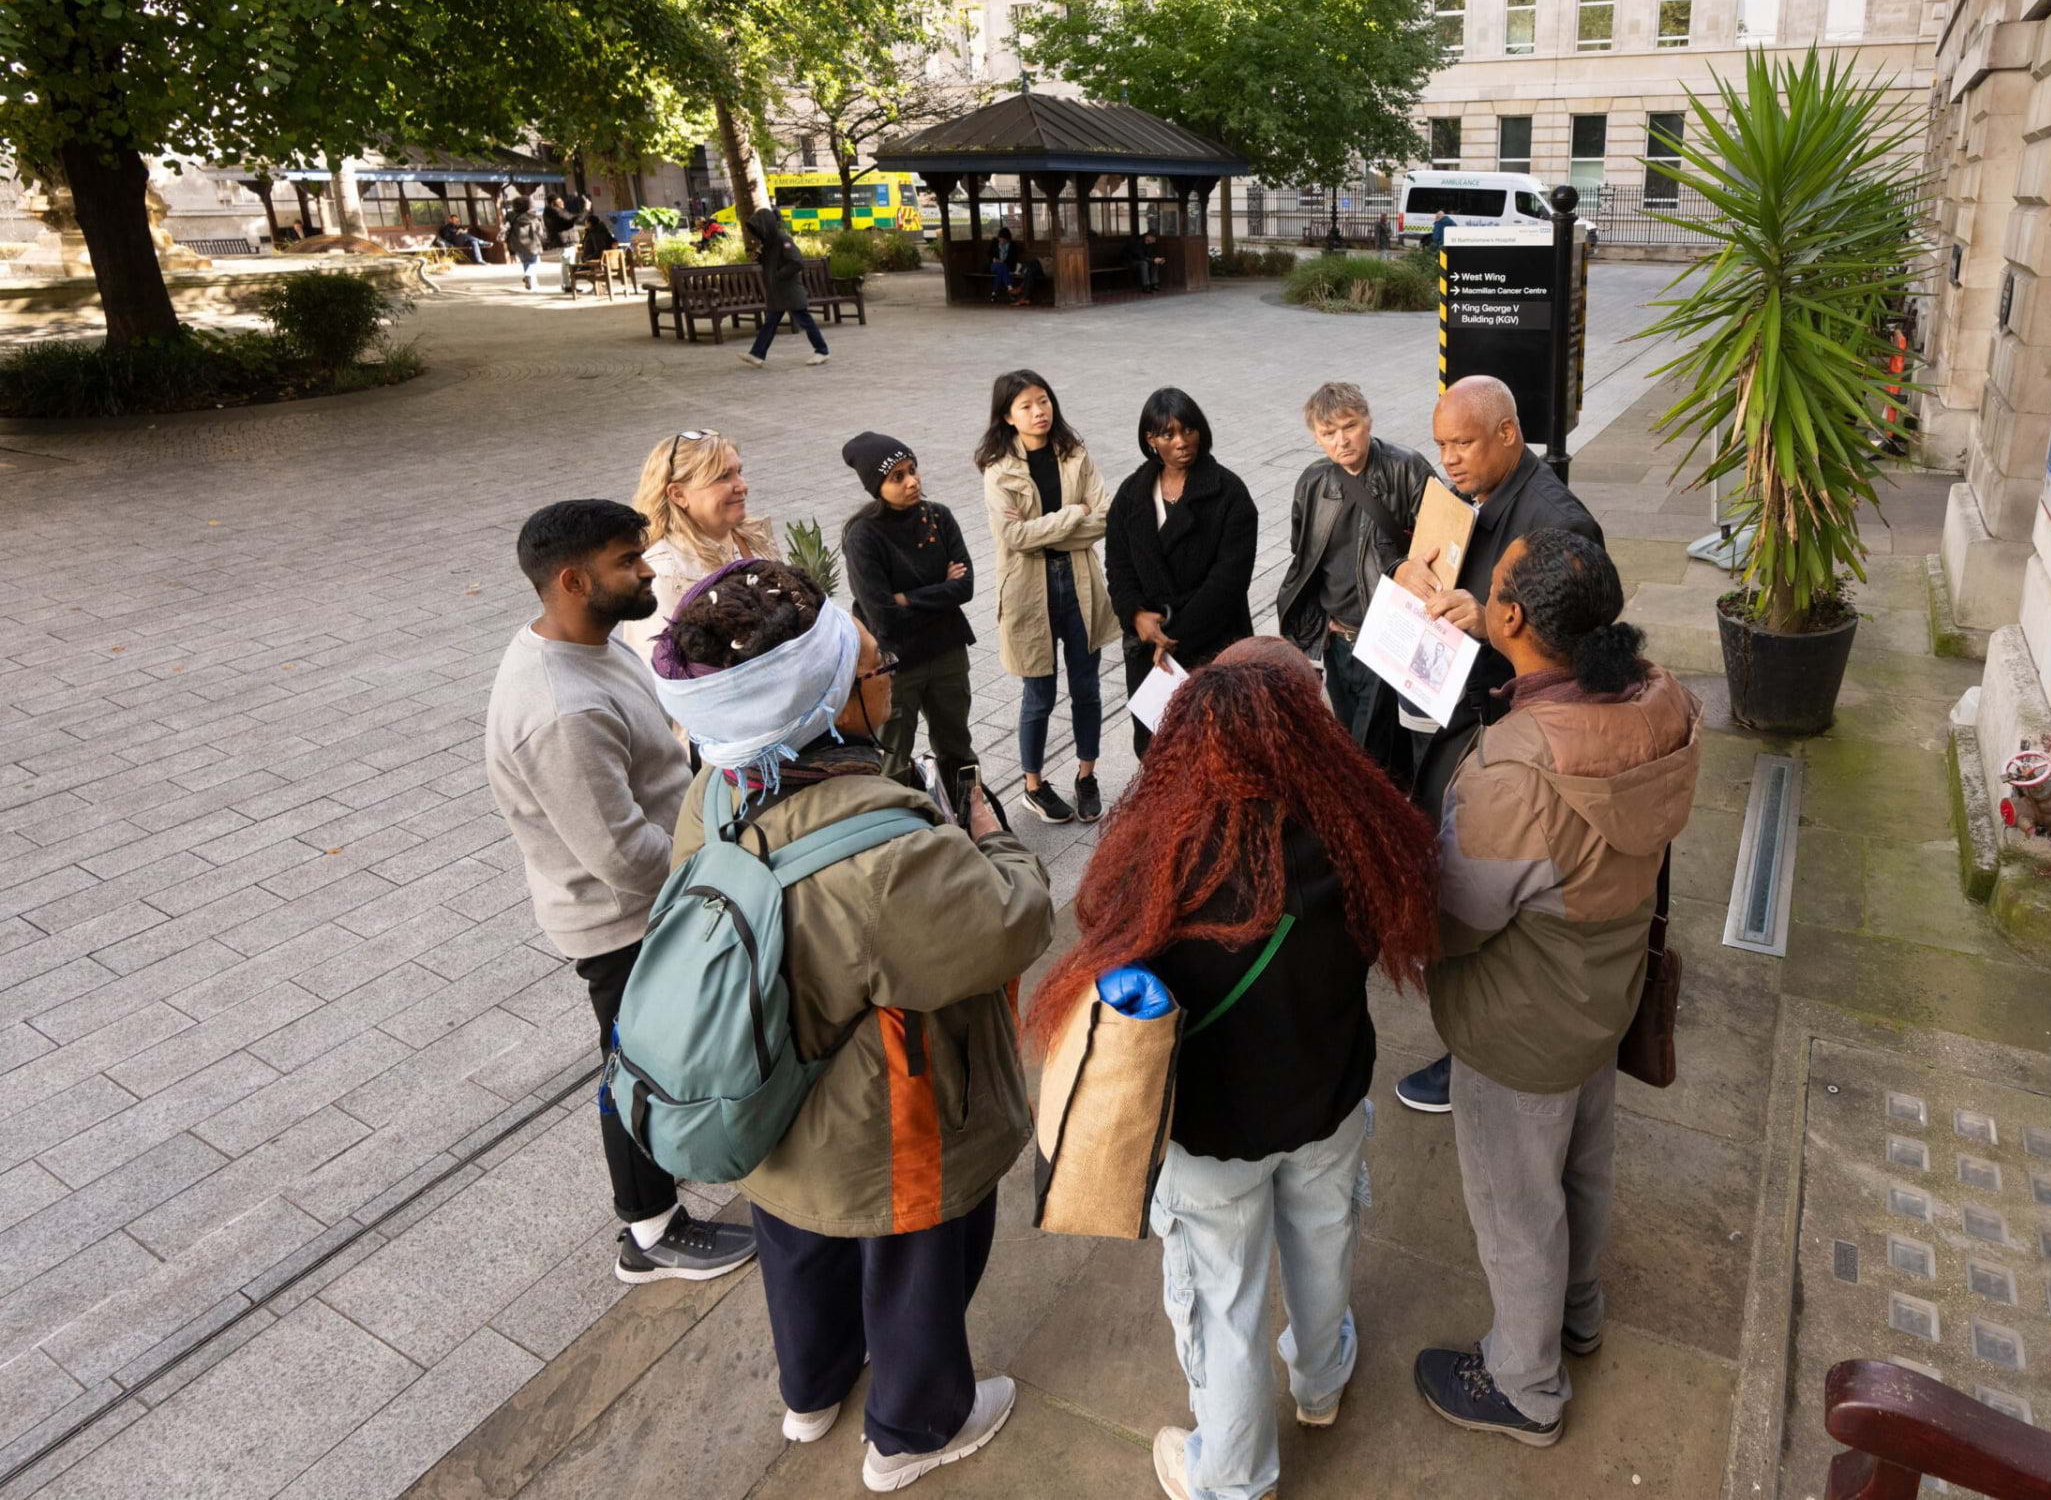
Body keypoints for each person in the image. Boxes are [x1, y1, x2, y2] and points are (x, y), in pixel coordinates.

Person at [649, 559, 1053, 1492]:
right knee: (913, 1255)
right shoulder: (882, 847)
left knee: (798, 1235)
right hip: (884, 1108)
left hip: (764, 1090)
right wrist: (989, 835)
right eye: (872, 667)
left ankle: (813, 1388)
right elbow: (1008, 926)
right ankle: (913, 1428)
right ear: (825, 701)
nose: (887, 677)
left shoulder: (716, 789)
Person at [1021, 640, 1440, 1500]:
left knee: (1224, 1304)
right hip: (1326, 1101)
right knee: (1325, 1248)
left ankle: (1235, 1478)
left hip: (1211, 1132)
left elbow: (1112, 968)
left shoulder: (1159, 863)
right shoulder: (1357, 837)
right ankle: (1321, 1382)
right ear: (1307, 733)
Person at [1412, 529, 1699, 1447]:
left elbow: (1458, 917)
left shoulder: (1516, 767)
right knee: (1582, 1166)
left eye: (1494, 583)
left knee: (1516, 1206)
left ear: (1511, 617)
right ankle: (1579, 1312)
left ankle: (1525, 1385)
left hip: (1520, 1023)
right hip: (1605, 991)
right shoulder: (1660, 699)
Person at [483, 500, 758, 1288]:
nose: (646, 571)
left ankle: (665, 1176)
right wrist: (720, 871)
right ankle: (650, 1231)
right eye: (627, 561)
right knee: (634, 1068)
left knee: (649, 1059)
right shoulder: (559, 709)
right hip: (626, 923)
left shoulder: (590, 644)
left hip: (660, 898)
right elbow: (624, 856)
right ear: (573, 580)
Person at [1389, 375, 1604, 1115]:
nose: (1449, 458)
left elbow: (1577, 652)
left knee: (1490, 901)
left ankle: (1473, 1055)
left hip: (1511, 739)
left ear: (1508, 433)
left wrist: (1488, 623)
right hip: (1459, 715)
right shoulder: (1469, 495)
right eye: (1441, 444)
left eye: (1464, 443)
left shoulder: (1558, 525)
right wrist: (1408, 574)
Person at [1274, 381, 1436, 776]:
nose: (1342, 440)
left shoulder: (1406, 467)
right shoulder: (1313, 482)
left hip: (1388, 638)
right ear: (1316, 437)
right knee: (1349, 742)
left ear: (1368, 421)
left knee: (1368, 756)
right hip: (1337, 640)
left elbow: (1442, 541)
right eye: (1329, 433)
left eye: (1350, 426)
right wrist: (1313, 631)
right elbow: (1304, 556)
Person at [978, 369, 1117, 824]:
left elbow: (1105, 517)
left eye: (1044, 401)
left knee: (1087, 688)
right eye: (1026, 406)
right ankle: (1033, 786)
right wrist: (1074, 513)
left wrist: (1050, 531)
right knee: (1038, 693)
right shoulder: (999, 470)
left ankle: (1086, 776)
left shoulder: (1075, 454)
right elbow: (1015, 537)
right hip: (1028, 590)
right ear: (1007, 416)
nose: (1039, 412)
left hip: (1079, 581)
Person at [1105, 388, 1259, 756]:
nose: (1181, 441)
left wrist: (1173, 634)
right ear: (1151, 439)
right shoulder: (1131, 493)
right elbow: (1118, 564)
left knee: (1219, 753)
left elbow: (1228, 581)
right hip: (1149, 649)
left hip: (1213, 646)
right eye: (1168, 434)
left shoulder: (1229, 492)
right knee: (1157, 751)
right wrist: (1136, 615)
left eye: (1189, 430)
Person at [839, 431, 979, 797]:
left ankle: (970, 816)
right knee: (892, 760)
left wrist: (906, 598)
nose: (912, 481)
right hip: (896, 664)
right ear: (877, 486)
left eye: (912, 469)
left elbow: (965, 588)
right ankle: (902, 826)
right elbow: (883, 617)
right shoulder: (863, 536)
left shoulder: (939, 517)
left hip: (948, 652)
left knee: (958, 750)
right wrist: (940, 593)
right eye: (897, 476)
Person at [620, 429, 778, 664]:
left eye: (739, 472)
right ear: (678, 494)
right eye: (722, 477)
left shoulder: (754, 538)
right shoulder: (662, 575)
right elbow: (660, 670)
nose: (742, 485)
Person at [739, 206, 832, 369]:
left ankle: (822, 351)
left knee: (805, 320)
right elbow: (775, 262)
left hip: (790, 290)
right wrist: (760, 258)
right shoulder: (769, 244)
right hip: (778, 291)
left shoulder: (783, 240)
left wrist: (778, 275)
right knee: (770, 323)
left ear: (766, 226)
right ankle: (757, 354)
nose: (757, 233)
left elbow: (797, 262)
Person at [504, 195, 545, 290]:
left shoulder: (510, 216)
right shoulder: (532, 217)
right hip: (532, 244)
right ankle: (528, 275)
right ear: (527, 205)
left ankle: (533, 284)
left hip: (516, 244)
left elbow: (506, 229)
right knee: (533, 263)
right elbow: (539, 231)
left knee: (526, 262)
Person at [1134, 227, 1164, 293]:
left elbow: (1151, 254)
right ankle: (1146, 286)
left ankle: (1154, 284)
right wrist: (1153, 260)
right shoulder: (1138, 242)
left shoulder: (1149, 244)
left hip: (1142, 259)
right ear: (1148, 236)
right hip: (1132, 261)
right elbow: (1140, 257)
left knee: (1155, 262)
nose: (1154, 241)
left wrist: (1158, 259)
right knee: (1144, 263)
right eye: (1154, 239)